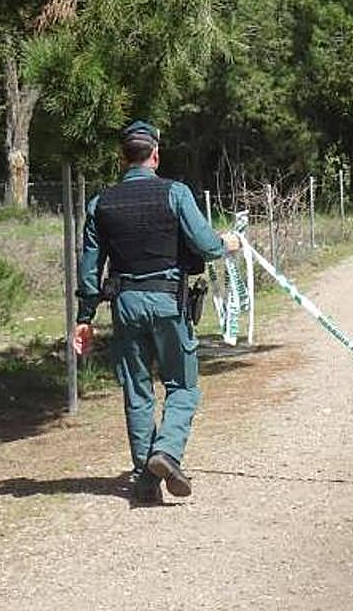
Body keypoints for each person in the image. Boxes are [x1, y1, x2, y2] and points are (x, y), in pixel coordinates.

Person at [74, 121, 241, 504]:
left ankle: (144, 480)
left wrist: (85, 317)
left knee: (137, 390)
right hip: (169, 302)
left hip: (126, 305)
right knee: (183, 385)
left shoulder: (100, 204)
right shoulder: (176, 193)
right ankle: (165, 452)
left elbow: (89, 269)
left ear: (122, 157)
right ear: (155, 154)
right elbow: (206, 245)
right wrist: (226, 242)